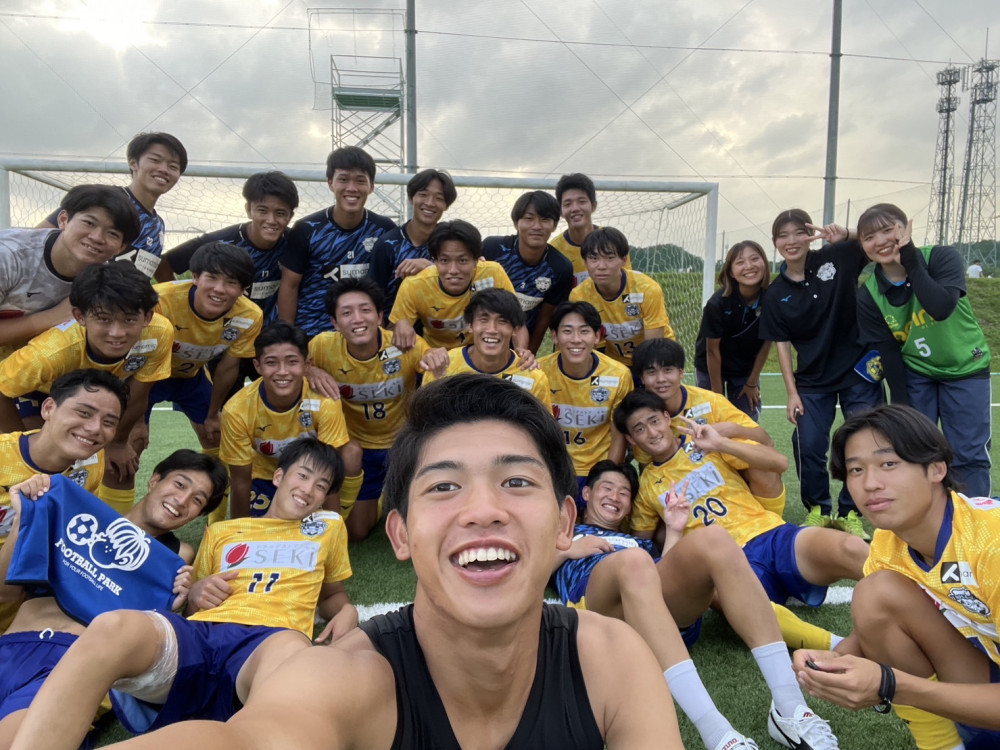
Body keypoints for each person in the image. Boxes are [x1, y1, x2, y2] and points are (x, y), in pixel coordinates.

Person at [59, 373, 684, 749]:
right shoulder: (350, 678)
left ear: (565, 524)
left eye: (517, 482)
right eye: (444, 486)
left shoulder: (611, 660)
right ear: (400, 534)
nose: (483, 509)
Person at [10, 437, 357, 750]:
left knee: (291, 659)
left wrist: (346, 612)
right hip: (203, 632)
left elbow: (332, 595)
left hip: (272, 638)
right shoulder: (222, 531)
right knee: (112, 625)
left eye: (321, 486)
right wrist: (197, 592)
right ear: (279, 477)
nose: (308, 489)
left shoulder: (328, 527)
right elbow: (193, 604)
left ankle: (253, 729)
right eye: (303, 476)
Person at [555, 460, 841, 750]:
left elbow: (661, 573)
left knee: (714, 538)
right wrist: (566, 550)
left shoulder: (639, 543)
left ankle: (789, 707)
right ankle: (717, 733)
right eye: (607, 488)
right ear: (587, 493)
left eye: (624, 493)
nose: (615, 497)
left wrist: (674, 530)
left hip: (654, 609)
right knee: (634, 562)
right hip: (598, 606)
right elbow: (528, 569)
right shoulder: (566, 533)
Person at [795, 405, 1000, 750]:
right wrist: (833, 661)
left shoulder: (992, 542)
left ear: (936, 468)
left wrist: (893, 685)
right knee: (876, 594)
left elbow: (892, 683)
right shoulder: (888, 543)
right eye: (856, 469)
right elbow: (872, 630)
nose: (870, 484)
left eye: (889, 464)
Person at [0, 450, 228, 745]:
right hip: (11, 646)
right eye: (179, 484)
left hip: (74, 661)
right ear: (154, 480)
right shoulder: (76, 510)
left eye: (197, 500)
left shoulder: (178, 558)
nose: (182, 500)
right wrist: (26, 517)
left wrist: (174, 610)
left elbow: (171, 650)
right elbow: (5, 592)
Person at [614, 390, 869, 651]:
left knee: (850, 547)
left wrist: (721, 444)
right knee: (721, 595)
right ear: (631, 439)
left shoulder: (706, 443)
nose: (652, 432)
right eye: (640, 429)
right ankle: (839, 647)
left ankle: (898, 593)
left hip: (770, 534)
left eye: (654, 421)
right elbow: (643, 546)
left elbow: (779, 462)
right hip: (727, 563)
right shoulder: (646, 488)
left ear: (667, 419)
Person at [0, 263, 173, 511]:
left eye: (129, 319)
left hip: (105, 396)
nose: (117, 332)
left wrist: (118, 442)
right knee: (46, 467)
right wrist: (19, 450)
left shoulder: (160, 333)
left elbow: (139, 392)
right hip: (36, 392)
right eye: (103, 319)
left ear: (147, 317)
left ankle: (112, 526)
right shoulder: (48, 354)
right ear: (80, 316)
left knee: (122, 459)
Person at [852, 204, 991, 498]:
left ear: (906, 228)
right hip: (917, 371)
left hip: (966, 366)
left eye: (888, 230)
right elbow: (888, 352)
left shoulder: (940, 257)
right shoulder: (868, 294)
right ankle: (923, 513)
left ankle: (971, 516)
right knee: (915, 451)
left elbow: (940, 308)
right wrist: (901, 408)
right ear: (862, 246)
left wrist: (911, 261)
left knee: (968, 454)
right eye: (869, 237)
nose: (880, 241)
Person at [758, 209, 883, 531]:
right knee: (809, 444)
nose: (792, 241)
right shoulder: (775, 294)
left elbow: (876, 240)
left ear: (810, 235)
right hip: (812, 379)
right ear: (775, 242)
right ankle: (818, 508)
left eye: (799, 232)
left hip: (858, 371)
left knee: (865, 440)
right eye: (783, 235)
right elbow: (782, 345)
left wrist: (846, 233)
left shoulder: (837, 256)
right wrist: (791, 393)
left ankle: (851, 513)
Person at [125, 242, 263, 517]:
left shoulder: (249, 316)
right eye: (212, 278)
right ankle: (124, 518)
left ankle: (216, 521)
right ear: (196, 277)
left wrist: (212, 413)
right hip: (145, 375)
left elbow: (228, 366)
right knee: (131, 443)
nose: (220, 289)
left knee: (217, 435)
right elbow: (138, 360)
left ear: (243, 289)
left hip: (191, 376)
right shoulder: (159, 301)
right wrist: (137, 420)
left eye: (231, 282)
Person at [307, 277, 448, 541]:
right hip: (360, 448)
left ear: (380, 316)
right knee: (358, 532)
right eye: (346, 313)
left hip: (403, 445)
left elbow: (432, 362)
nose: (357, 319)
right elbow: (296, 363)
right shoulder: (322, 347)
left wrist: (436, 356)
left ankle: (404, 488)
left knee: (423, 530)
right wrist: (310, 370)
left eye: (365, 310)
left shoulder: (405, 343)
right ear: (335, 323)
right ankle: (381, 497)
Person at [0, 369, 128, 630]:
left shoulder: (92, 461)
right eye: (84, 413)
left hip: (25, 604)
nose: (95, 429)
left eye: (109, 422)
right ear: (48, 408)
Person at [220, 321, 362, 520]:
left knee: (350, 452)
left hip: (311, 480)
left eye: (292, 362)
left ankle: (344, 518)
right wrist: (240, 532)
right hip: (265, 478)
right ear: (257, 366)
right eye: (271, 362)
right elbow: (241, 481)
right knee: (269, 530)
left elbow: (326, 470)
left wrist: (331, 526)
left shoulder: (324, 401)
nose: (282, 371)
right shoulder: (236, 410)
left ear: (307, 364)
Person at [633, 337, 785, 516]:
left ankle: (771, 521)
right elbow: (647, 468)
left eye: (668, 370)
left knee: (760, 463)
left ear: (681, 372)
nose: (660, 379)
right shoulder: (640, 416)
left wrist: (731, 429)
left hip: (726, 477)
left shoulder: (710, 401)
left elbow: (766, 442)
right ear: (642, 378)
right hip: (682, 485)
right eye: (651, 372)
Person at [0, 185, 140, 355]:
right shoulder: (8, 257)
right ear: (63, 220)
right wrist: (52, 317)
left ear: (121, 247)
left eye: (112, 233)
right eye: (89, 223)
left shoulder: (102, 278)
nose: (97, 238)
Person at [277, 146, 395, 338]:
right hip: (314, 333)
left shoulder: (384, 229)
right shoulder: (307, 229)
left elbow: (393, 283)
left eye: (360, 180)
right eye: (343, 179)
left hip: (364, 334)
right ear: (330, 183)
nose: (352, 188)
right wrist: (288, 337)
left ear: (371, 186)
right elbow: (289, 286)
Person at [38, 133, 187, 279]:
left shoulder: (158, 225)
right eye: (155, 160)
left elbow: (142, 276)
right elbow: (38, 239)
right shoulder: (100, 199)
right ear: (133, 163)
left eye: (173, 166)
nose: (164, 169)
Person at [158, 171, 300, 322]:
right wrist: (181, 302)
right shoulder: (218, 243)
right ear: (248, 210)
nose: (271, 220)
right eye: (262, 210)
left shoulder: (295, 243)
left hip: (268, 329)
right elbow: (164, 264)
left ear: (290, 216)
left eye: (280, 213)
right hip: (221, 330)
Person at [539, 301, 632, 496]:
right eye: (567, 331)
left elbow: (618, 437)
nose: (576, 339)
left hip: (597, 471)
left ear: (597, 336)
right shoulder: (539, 373)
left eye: (584, 331)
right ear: (554, 336)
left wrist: (605, 480)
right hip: (553, 469)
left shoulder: (618, 375)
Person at [388, 219, 520, 351]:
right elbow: (392, 334)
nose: (453, 270)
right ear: (435, 261)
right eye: (444, 260)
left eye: (462, 260)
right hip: (435, 356)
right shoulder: (414, 285)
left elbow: (516, 319)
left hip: (480, 354)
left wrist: (521, 350)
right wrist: (401, 326)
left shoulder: (493, 273)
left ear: (476, 260)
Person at [422, 288, 551, 411]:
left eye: (502, 321)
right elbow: (425, 420)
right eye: (483, 320)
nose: (492, 330)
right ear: (469, 325)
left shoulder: (533, 377)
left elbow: (541, 426)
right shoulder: (442, 366)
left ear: (515, 329)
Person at [569, 226, 672, 376]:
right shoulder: (579, 296)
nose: (601, 266)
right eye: (594, 258)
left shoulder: (647, 289)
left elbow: (653, 346)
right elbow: (592, 345)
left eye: (610, 258)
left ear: (624, 260)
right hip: (616, 363)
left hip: (657, 356)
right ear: (585, 262)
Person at [482, 190, 573, 352]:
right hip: (483, 337)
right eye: (529, 218)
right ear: (516, 223)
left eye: (545, 219)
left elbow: (544, 319)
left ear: (554, 225)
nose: (536, 226)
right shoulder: (492, 248)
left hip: (520, 343)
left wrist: (529, 354)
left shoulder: (560, 267)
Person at [694, 240, 772, 421]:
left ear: (764, 263)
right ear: (730, 271)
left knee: (746, 422)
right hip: (711, 367)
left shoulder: (771, 300)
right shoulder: (717, 304)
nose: (749, 266)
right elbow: (712, 351)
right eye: (740, 262)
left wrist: (752, 383)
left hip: (745, 368)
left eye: (754, 259)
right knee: (711, 418)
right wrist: (718, 395)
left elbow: (767, 342)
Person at [368, 169, 457, 322]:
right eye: (423, 195)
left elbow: (471, 285)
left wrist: (430, 268)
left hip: (442, 329)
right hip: (395, 329)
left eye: (439, 198)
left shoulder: (451, 243)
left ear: (446, 205)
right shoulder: (388, 244)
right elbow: (372, 296)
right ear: (411, 198)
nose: (429, 203)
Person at [550, 172, 632, 285]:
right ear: (561, 211)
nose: (575, 208)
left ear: (593, 206)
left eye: (582, 201)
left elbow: (627, 284)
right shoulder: (554, 250)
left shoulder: (613, 241)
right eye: (567, 204)